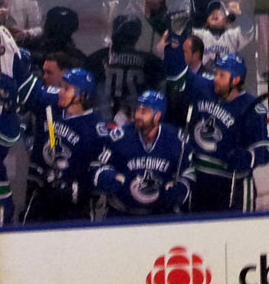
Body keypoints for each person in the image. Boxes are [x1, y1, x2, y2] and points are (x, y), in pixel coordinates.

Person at [190, 54, 269, 213]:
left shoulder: (252, 107)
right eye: (216, 73)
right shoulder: (206, 91)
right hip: (201, 182)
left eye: (222, 75)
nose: (216, 78)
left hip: (233, 186)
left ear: (235, 80)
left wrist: (246, 157)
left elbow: (266, 148)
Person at [22, 66, 108, 222]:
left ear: (82, 95)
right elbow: (26, 93)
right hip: (41, 194)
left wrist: (79, 189)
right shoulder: (50, 106)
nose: (60, 91)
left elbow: (99, 171)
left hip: (73, 205)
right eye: (61, 87)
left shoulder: (95, 128)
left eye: (66, 89)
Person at [93, 90, 193, 217]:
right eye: (138, 110)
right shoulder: (119, 137)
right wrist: (110, 178)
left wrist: (179, 189)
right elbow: (97, 166)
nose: (137, 115)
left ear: (157, 116)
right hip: (122, 214)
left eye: (144, 111)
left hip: (158, 217)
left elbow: (188, 174)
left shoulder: (177, 141)